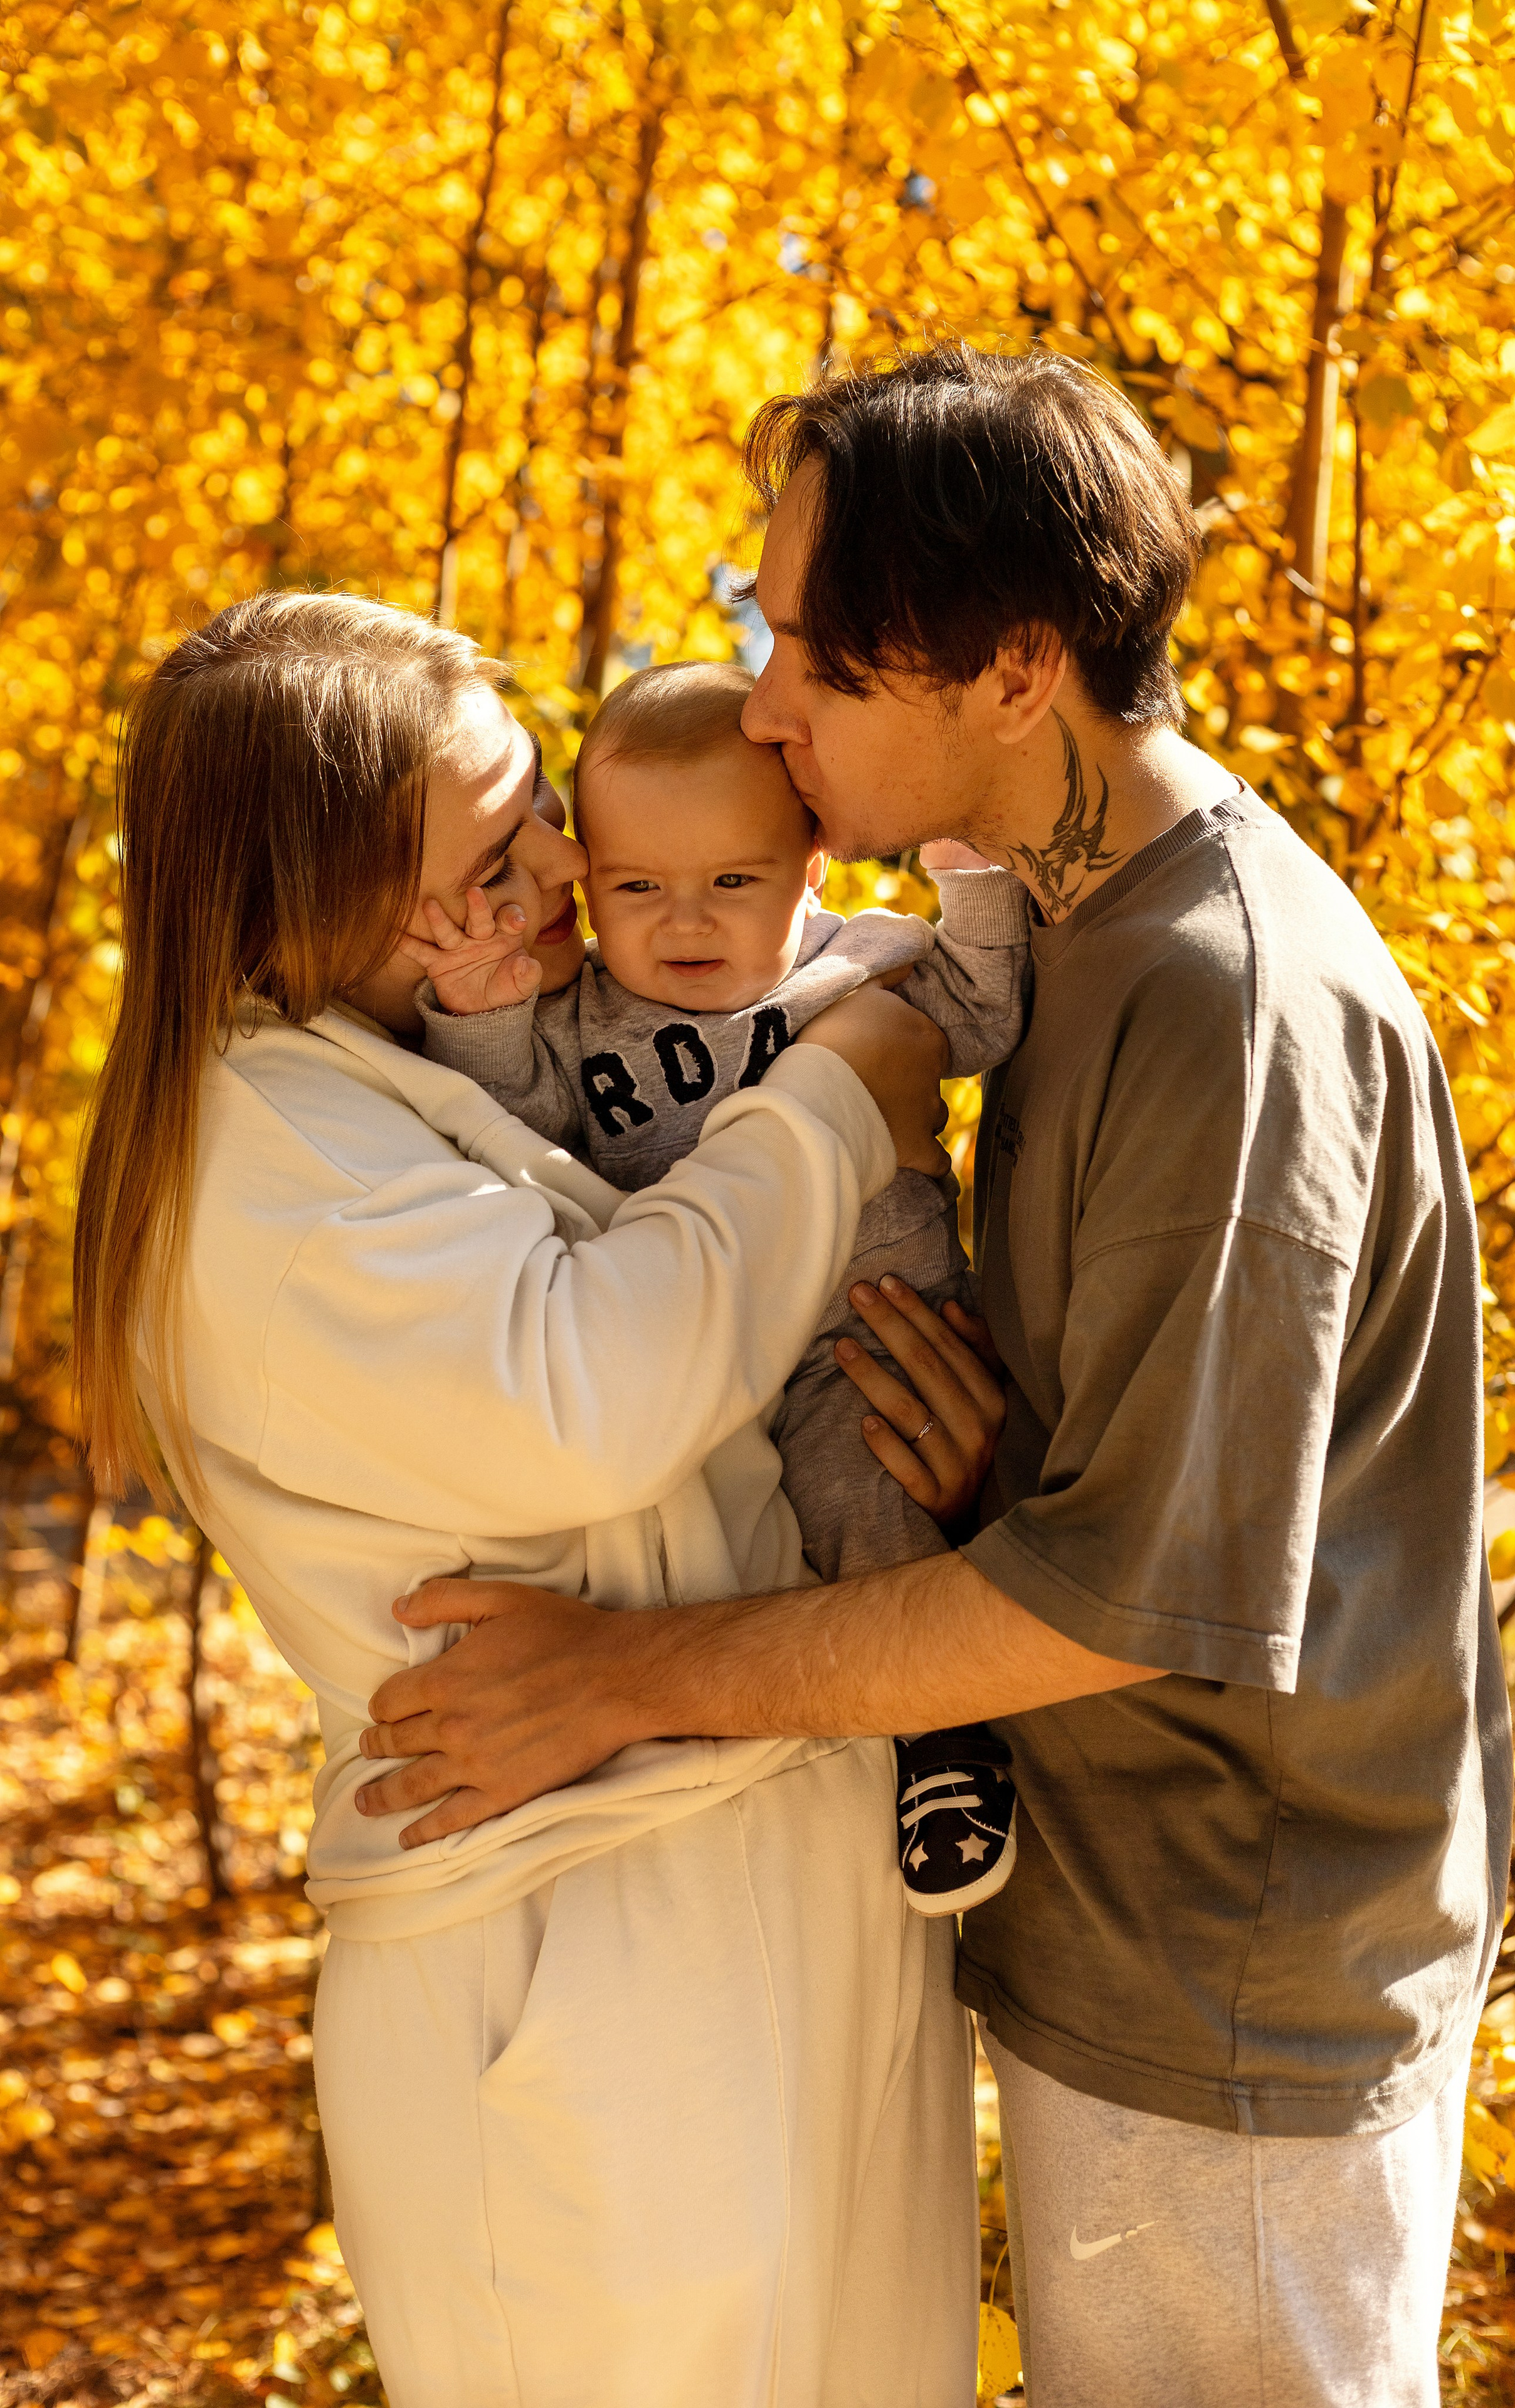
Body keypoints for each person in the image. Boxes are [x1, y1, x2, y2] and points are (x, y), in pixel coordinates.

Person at [357, 344, 1514, 2408]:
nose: (768, 702)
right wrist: (1002, 1482)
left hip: (1233, 2007)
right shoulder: (1069, 938)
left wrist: (616, 1680)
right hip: (1134, 1950)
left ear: (1011, 666)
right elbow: (1162, 1504)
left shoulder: (1221, 1004)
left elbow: (1120, 1602)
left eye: (818, 648)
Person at [70, 589, 1001, 2408]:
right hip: (578, 1959)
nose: (569, 865)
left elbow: (717, 1406)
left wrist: (917, 1455)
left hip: (800, 1884)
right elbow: (596, 1398)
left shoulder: (458, 1069)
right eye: (502, 845)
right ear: (323, 905)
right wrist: (838, 1095)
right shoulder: (261, 1156)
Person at [408, 654, 1028, 1911]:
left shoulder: (852, 966)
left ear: (810, 868)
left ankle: (944, 1750)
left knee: (868, 1498)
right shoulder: (578, 1022)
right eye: (639, 887)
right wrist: (477, 1011)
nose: (682, 922)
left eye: (730, 884)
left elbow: (980, 1014)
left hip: (868, 1340)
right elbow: (517, 1124)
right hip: (707, 1353)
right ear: (591, 873)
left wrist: (970, 873)